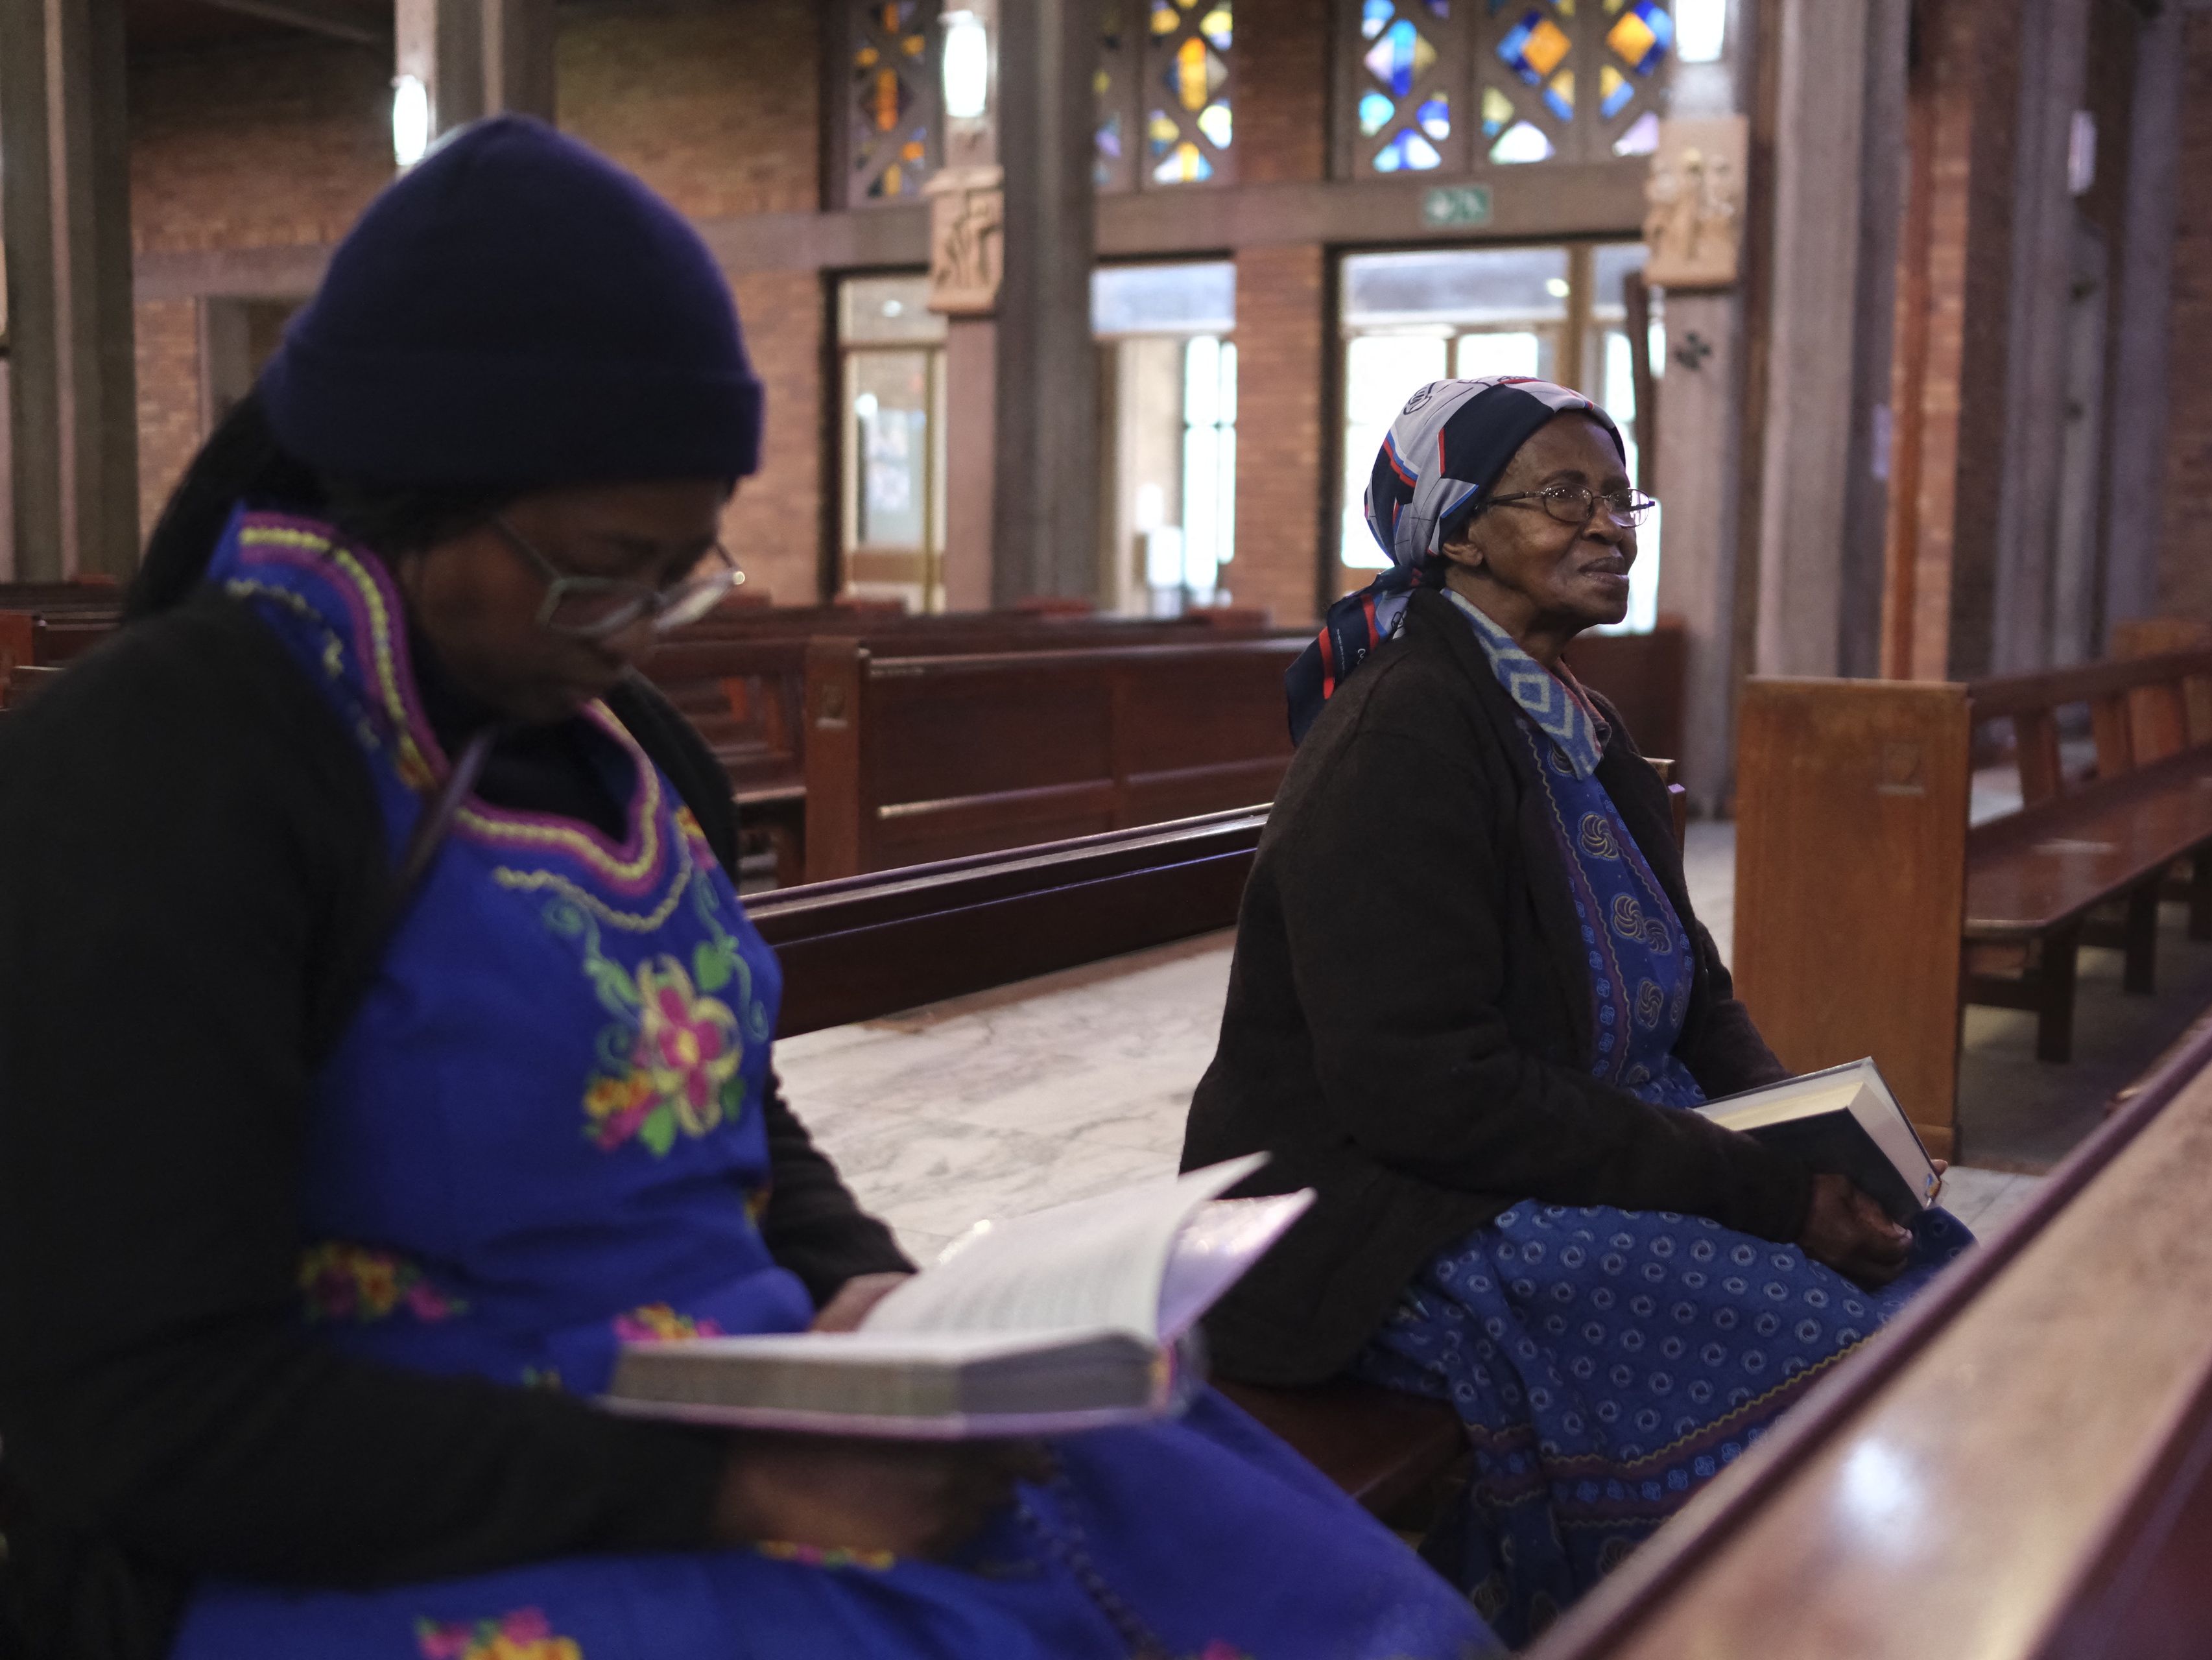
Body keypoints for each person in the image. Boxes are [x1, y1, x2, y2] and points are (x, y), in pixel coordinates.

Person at [0, 119, 1498, 1660]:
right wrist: (734, 1481)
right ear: (408, 489)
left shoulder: (618, 742)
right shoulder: (176, 767)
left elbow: (720, 1111)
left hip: (733, 1400)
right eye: (602, 565)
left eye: (685, 567)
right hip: (394, 1502)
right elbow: (138, 1409)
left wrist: (863, 1296)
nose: (641, 627)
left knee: (1241, 1545)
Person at [1183, 376, 1973, 1644]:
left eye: (1621, 497)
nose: (1612, 526)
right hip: (1389, 1207)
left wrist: (1814, 1141)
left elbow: (1695, 991)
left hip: (1559, 1149)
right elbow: (1425, 1091)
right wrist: (1761, 1194)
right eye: (1565, 496)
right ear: (1455, 529)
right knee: (1813, 1336)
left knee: (1932, 1268)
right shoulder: (1401, 733)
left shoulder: (1576, 723)